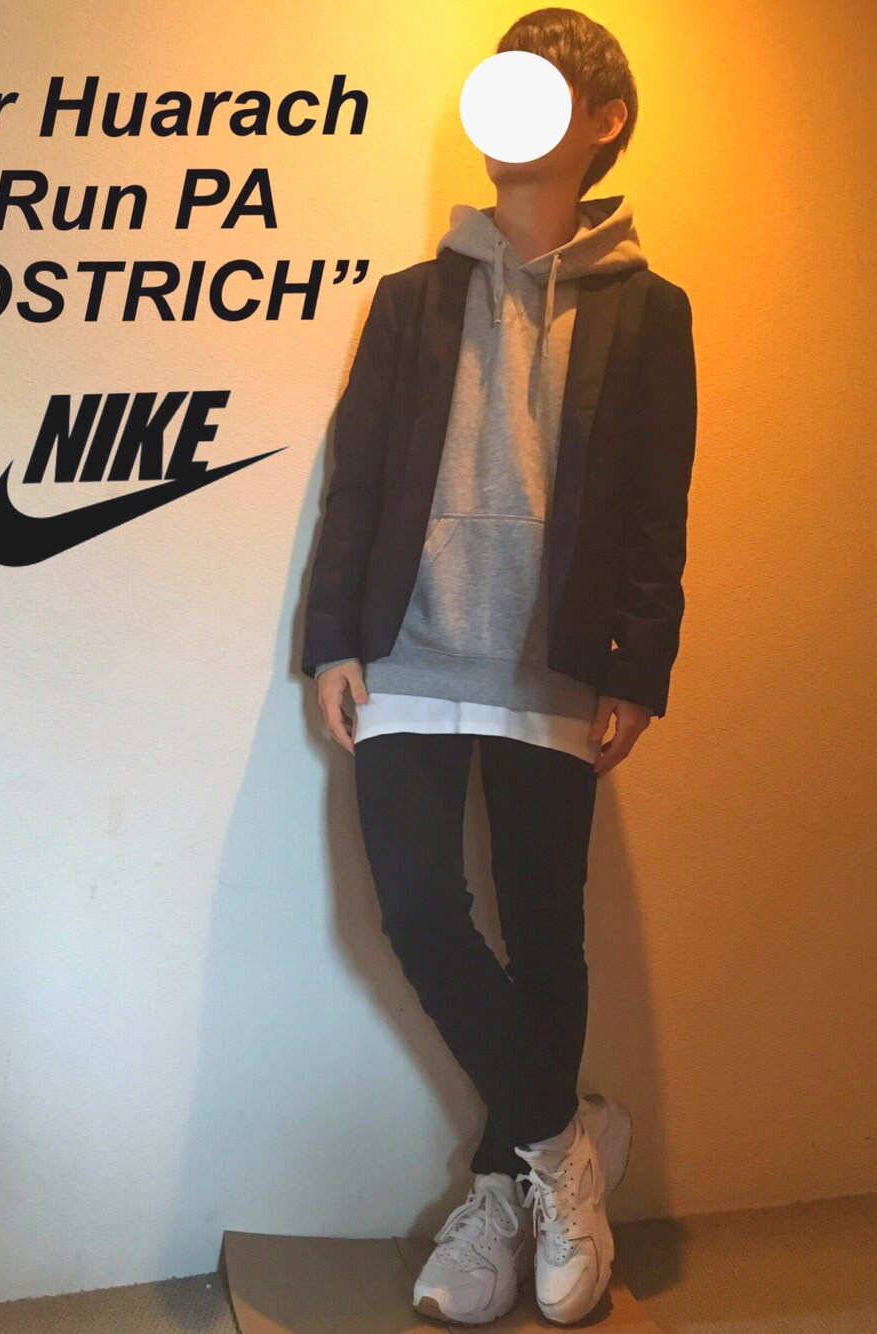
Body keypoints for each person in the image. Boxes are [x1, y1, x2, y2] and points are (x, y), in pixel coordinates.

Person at [300, 8, 697, 1326]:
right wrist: (331, 637)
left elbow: (655, 513)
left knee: (544, 934)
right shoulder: (412, 300)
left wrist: (640, 663)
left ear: (604, 121)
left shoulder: (652, 312)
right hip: (407, 656)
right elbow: (356, 482)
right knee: (418, 912)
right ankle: (564, 1149)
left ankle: (499, 1188)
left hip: (557, 669)